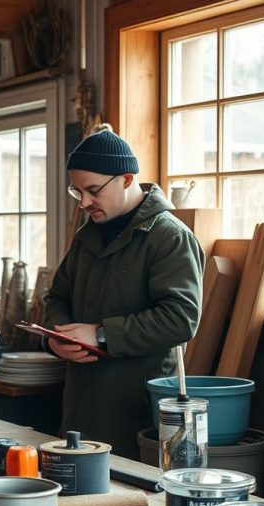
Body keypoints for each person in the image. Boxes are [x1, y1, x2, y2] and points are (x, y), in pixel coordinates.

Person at [42, 126, 204, 460]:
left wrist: (101, 334)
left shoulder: (169, 237)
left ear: (126, 179)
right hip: (80, 411)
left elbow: (180, 319)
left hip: (136, 415)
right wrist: (57, 336)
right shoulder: (86, 237)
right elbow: (57, 298)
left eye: (92, 190)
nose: (84, 202)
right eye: (77, 192)